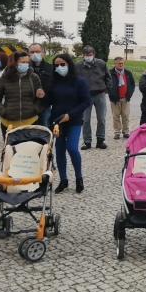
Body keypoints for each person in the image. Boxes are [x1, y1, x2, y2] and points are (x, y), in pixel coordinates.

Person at [47, 54, 91, 193]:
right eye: (57, 65)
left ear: (69, 65)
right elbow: (48, 102)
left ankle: (79, 178)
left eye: (62, 64)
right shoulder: (53, 82)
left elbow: (86, 101)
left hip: (74, 120)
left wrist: (70, 114)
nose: (59, 67)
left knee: (72, 148)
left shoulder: (79, 81)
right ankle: (63, 180)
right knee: (59, 149)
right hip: (57, 121)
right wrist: (42, 96)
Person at [0, 51, 44, 137]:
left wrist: (35, 109)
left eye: (27, 62)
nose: (26, 64)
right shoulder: (5, 78)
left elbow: (39, 97)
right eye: (23, 62)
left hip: (30, 122)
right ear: (14, 63)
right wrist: (3, 111)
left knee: (29, 149)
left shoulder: (34, 77)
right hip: (9, 124)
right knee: (10, 149)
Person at [75, 46, 112, 150]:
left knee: (101, 119)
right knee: (85, 120)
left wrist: (107, 89)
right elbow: (74, 79)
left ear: (94, 54)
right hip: (85, 96)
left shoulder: (101, 64)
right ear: (83, 55)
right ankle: (87, 141)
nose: (88, 57)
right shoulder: (78, 66)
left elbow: (108, 77)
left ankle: (100, 139)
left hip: (100, 93)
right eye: (86, 55)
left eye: (90, 55)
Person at [108, 57, 135, 140]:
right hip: (115, 99)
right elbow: (107, 83)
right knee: (116, 116)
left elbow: (132, 84)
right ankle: (117, 132)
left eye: (122, 63)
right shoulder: (110, 73)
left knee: (126, 116)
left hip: (125, 98)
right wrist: (111, 92)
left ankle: (126, 132)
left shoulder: (127, 73)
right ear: (115, 64)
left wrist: (129, 93)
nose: (121, 65)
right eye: (119, 63)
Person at [29, 43, 54, 128]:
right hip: (29, 105)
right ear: (29, 53)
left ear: (42, 52)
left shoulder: (50, 67)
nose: (35, 54)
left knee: (45, 128)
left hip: (45, 104)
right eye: (32, 52)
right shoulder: (26, 67)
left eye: (37, 51)